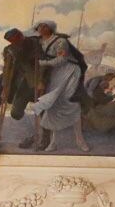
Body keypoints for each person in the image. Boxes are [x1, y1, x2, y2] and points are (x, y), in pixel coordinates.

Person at [28, 19, 89, 153]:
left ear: (50, 28)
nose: (40, 28)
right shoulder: (39, 42)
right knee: (53, 106)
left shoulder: (60, 41)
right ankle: (53, 142)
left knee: (69, 103)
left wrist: (42, 63)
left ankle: (80, 140)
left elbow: (62, 59)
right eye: (39, 26)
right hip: (54, 73)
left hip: (68, 71)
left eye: (44, 26)